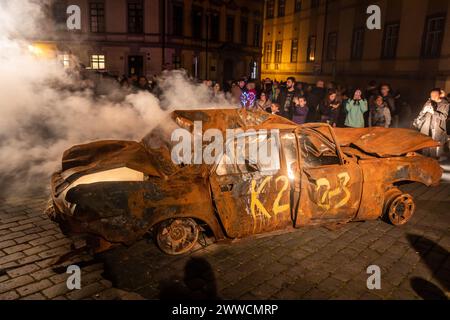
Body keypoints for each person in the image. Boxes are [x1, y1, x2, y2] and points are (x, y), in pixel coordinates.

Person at [413, 88, 449, 158]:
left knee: (434, 148)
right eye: (431, 95)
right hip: (426, 127)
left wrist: (433, 112)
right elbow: (421, 114)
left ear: (439, 95)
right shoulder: (428, 102)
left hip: (437, 129)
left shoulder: (445, 104)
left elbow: (444, 117)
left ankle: (433, 162)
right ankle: (424, 161)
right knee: (425, 146)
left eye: (434, 95)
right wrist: (424, 111)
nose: (432, 97)